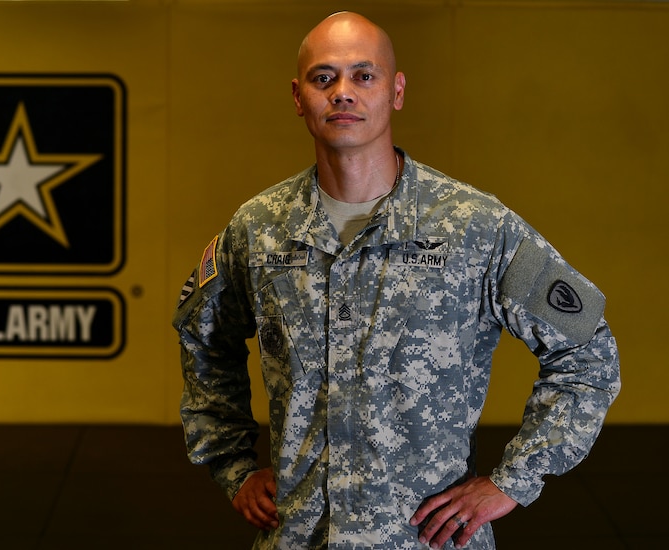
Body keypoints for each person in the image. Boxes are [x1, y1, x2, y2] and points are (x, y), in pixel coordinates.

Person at [173, 11, 620, 550]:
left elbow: (588, 349)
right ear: (298, 96)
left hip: (426, 542)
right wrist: (234, 464)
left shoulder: (475, 226)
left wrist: (512, 481)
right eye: (324, 78)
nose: (343, 93)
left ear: (396, 90)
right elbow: (203, 337)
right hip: (299, 538)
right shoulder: (260, 228)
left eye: (364, 75)